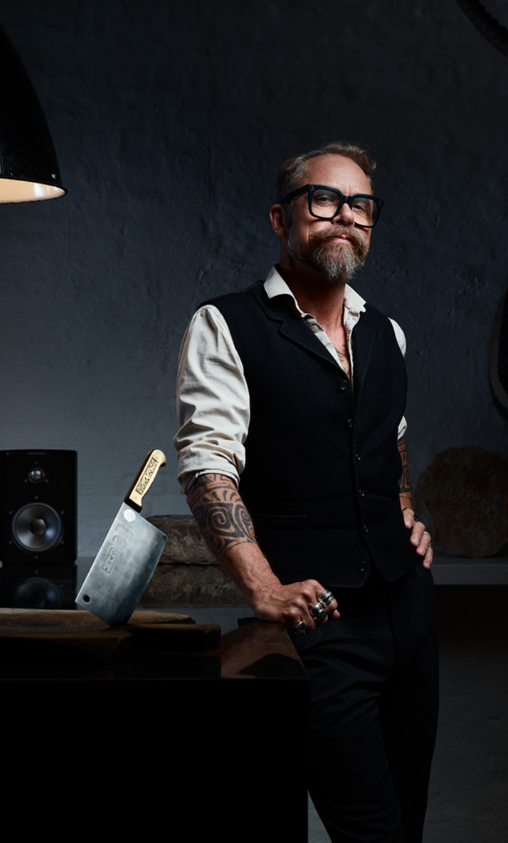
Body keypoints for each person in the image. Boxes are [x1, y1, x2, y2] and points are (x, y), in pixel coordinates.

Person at [174, 142, 438, 843]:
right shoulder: (225, 325)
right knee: (370, 832)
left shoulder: (386, 332)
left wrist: (405, 512)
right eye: (325, 200)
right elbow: (206, 466)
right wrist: (262, 587)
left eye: (361, 205)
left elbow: (391, 439)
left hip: (408, 614)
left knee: (406, 824)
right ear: (280, 218)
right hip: (320, 627)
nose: (345, 216)